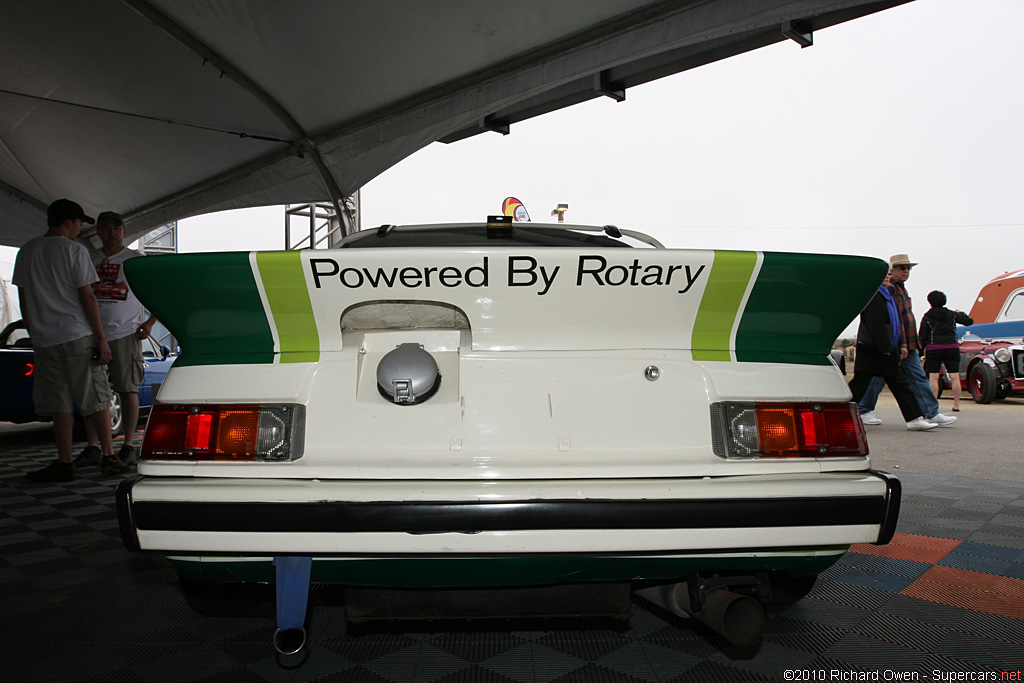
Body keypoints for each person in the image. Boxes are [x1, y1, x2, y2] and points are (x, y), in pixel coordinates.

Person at [11, 199, 122, 481]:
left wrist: (34, 331)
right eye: (78, 224)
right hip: (76, 334)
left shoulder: (27, 250)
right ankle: (109, 457)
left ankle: (65, 461)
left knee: (58, 402)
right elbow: (87, 296)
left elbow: (23, 298)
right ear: (70, 222)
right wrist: (102, 339)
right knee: (95, 398)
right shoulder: (75, 250)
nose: (79, 230)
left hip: (45, 338)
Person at [75, 211, 157, 467]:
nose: (111, 232)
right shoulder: (89, 258)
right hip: (89, 333)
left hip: (124, 333)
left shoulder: (135, 261)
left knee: (127, 388)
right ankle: (92, 445)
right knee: (92, 392)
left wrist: (150, 323)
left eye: (116, 227)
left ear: (123, 231)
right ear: (98, 232)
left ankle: (129, 444)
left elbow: (157, 292)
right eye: (106, 228)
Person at [857, 254, 957, 427]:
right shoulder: (887, 291)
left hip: (902, 342)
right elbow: (891, 320)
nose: (905, 271)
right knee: (878, 379)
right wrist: (896, 343)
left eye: (908, 268)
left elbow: (901, 319)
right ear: (891, 271)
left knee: (894, 379)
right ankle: (863, 409)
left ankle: (926, 413)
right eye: (901, 268)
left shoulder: (900, 289)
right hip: (893, 343)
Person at [849, 271, 936, 431]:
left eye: (889, 274)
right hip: (875, 349)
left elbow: (895, 324)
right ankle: (914, 419)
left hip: (886, 348)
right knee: (861, 385)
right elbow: (876, 325)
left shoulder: (887, 296)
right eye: (884, 274)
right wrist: (886, 348)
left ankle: (914, 419)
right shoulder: (873, 296)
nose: (887, 277)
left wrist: (899, 345)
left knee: (898, 383)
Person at [919, 290, 973, 412]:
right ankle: (956, 404)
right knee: (955, 376)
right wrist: (962, 313)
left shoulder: (927, 316)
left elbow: (922, 336)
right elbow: (969, 321)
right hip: (951, 347)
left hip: (934, 348)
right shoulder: (952, 314)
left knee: (933, 377)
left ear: (930, 302)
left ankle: (934, 405)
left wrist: (920, 351)